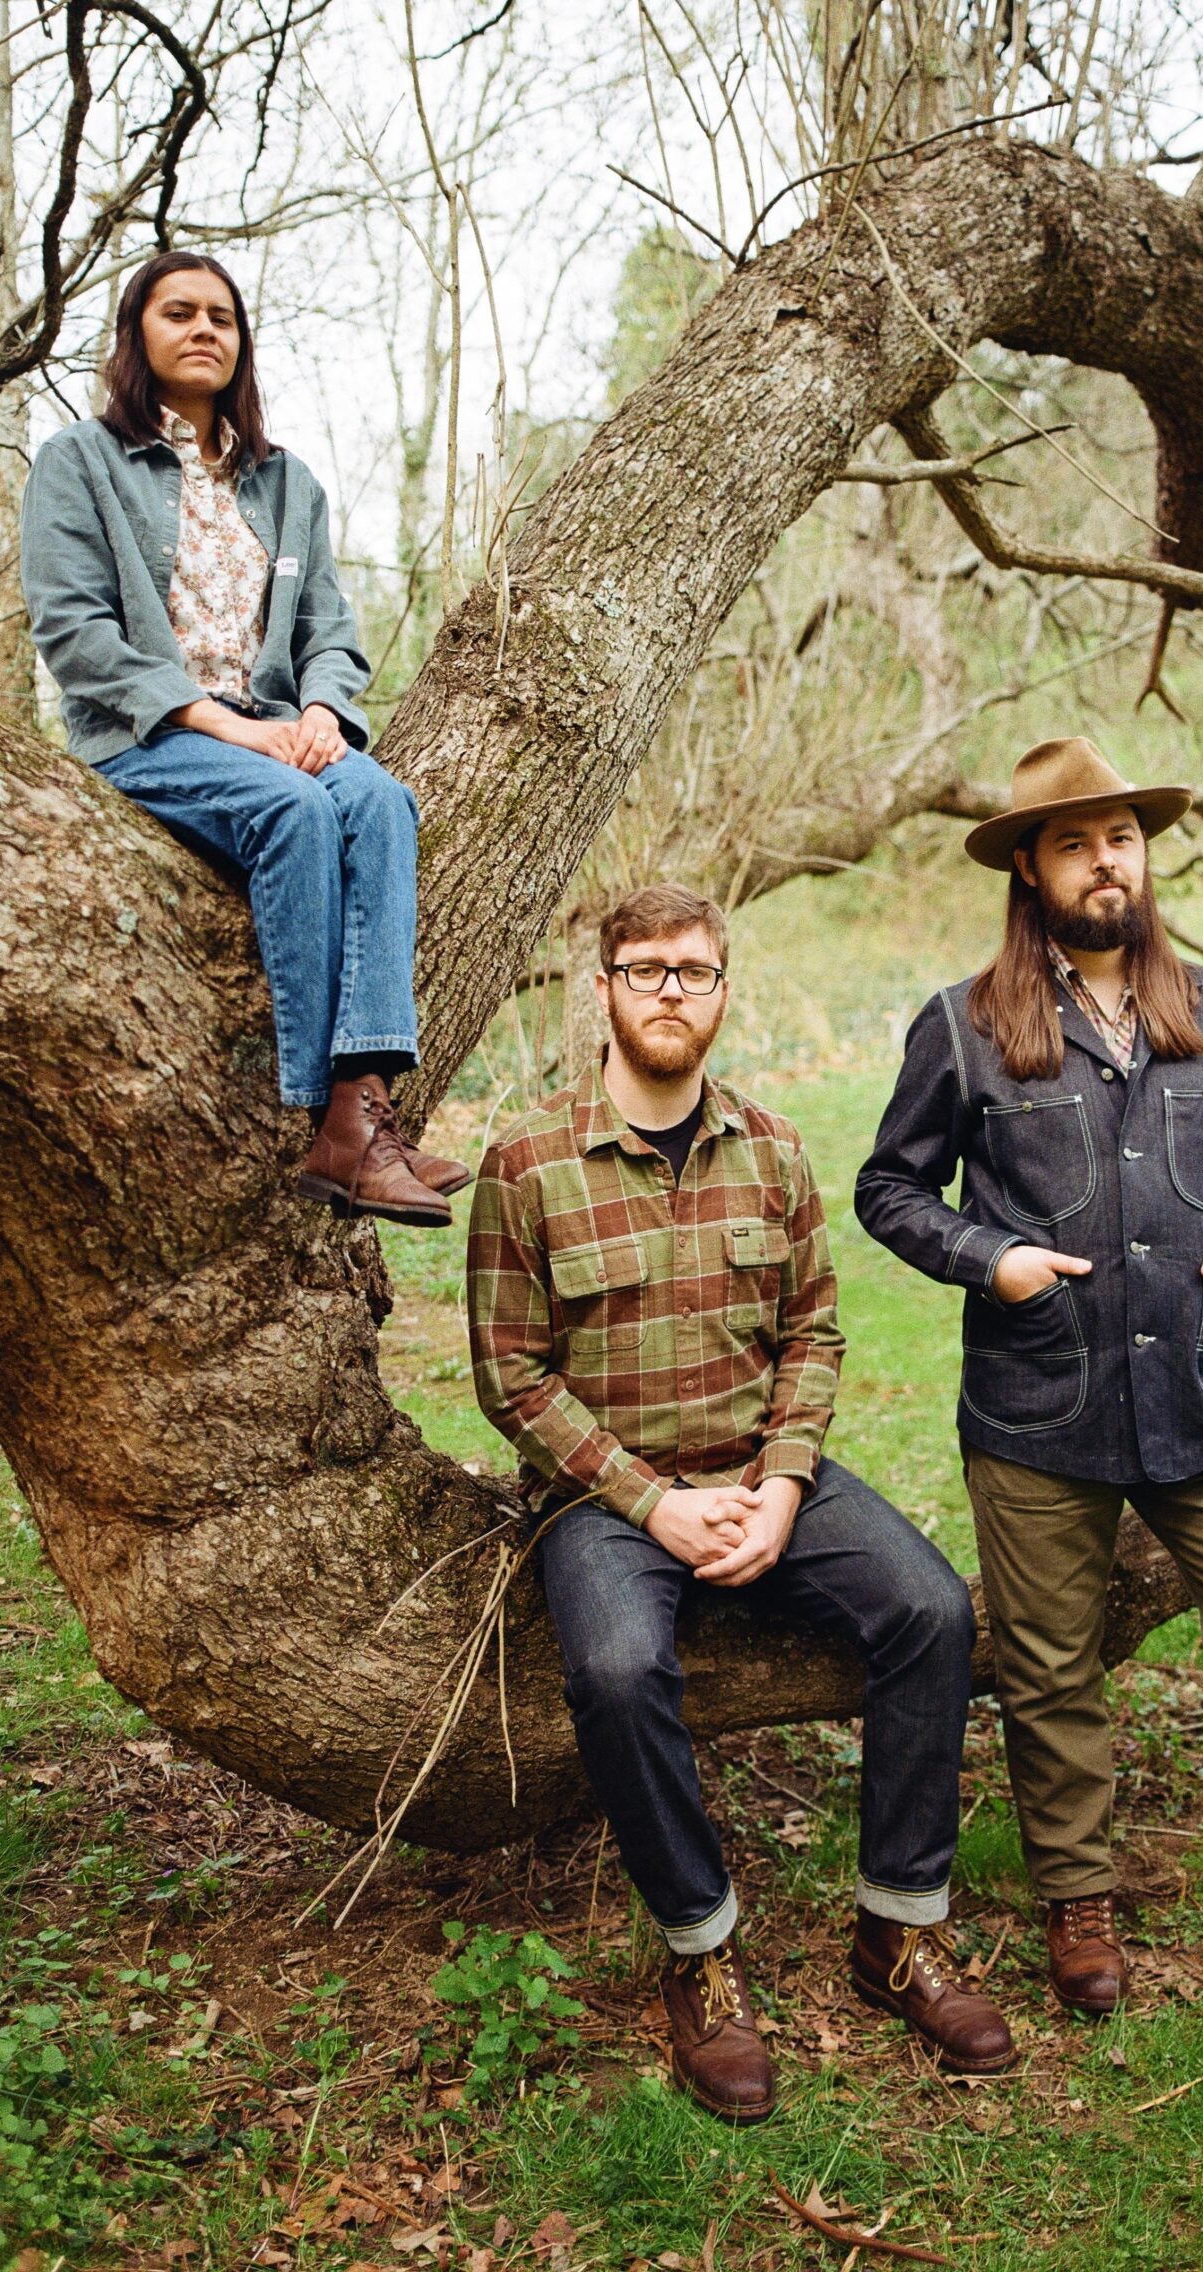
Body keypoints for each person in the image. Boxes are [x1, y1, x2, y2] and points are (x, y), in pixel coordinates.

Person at [856, 738, 1203, 2015]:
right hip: (1034, 1403)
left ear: (1143, 853)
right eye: (1071, 841)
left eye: (1119, 835)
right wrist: (987, 1255)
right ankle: (1079, 1906)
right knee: (1053, 1671)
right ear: (1029, 870)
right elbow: (888, 1187)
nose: (1102, 859)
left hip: (1194, 1396)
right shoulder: (963, 1023)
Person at [466, 884, 1013, 2125]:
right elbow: (509, 1371)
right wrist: (652, 1506)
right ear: (598, 989)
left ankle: (900, 1934)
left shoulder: (771, 1149)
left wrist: (780, 1482)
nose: (671, 990)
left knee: (930, 1608)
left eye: (695, 971)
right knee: (612, 1669)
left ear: (722, 989)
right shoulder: (525, 1163)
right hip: (602, 1499)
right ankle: (701, 1951)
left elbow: (813, 1329)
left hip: (764, 1469)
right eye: (646, 968)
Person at [19, 249, 460, 1225]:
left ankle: (359, 1120)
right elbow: (74, 633)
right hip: (149, 736)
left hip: (274, 731)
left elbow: (330, 634)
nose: (204, 328)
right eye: (179, 312)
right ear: (138, 333)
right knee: (297, 809)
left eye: (222, 315)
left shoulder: (284, 483)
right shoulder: (79, 463)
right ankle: (326, 1106)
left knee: (380, 798)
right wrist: (228, 729)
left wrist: (315, 713)